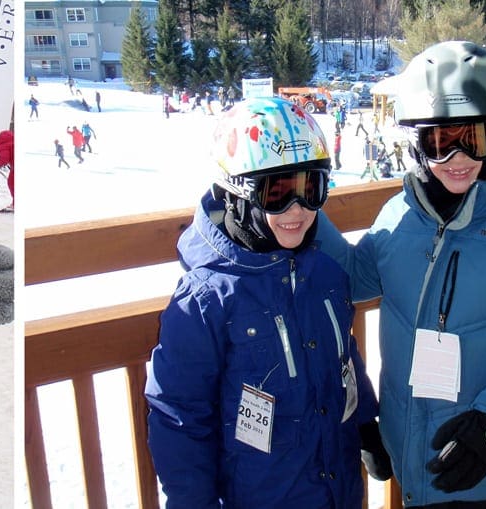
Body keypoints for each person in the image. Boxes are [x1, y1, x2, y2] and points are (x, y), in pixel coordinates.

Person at [316, 41, 486, 508]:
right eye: (441, 142)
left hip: (485, 462)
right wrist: (300, 203)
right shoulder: (400, 216)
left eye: (475, 139)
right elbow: (352, 278)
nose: (458, 157)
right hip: (411, 450)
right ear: (417, 143)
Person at [145, 97, 389, 509]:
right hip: (263, 495)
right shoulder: (207, 299)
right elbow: (179, 416)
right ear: (236, 192)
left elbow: (342, 355)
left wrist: (364, 421)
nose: (298, 210)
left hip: (338, 490)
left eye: (311, 189)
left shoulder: (324, 273)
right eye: (278, 193)